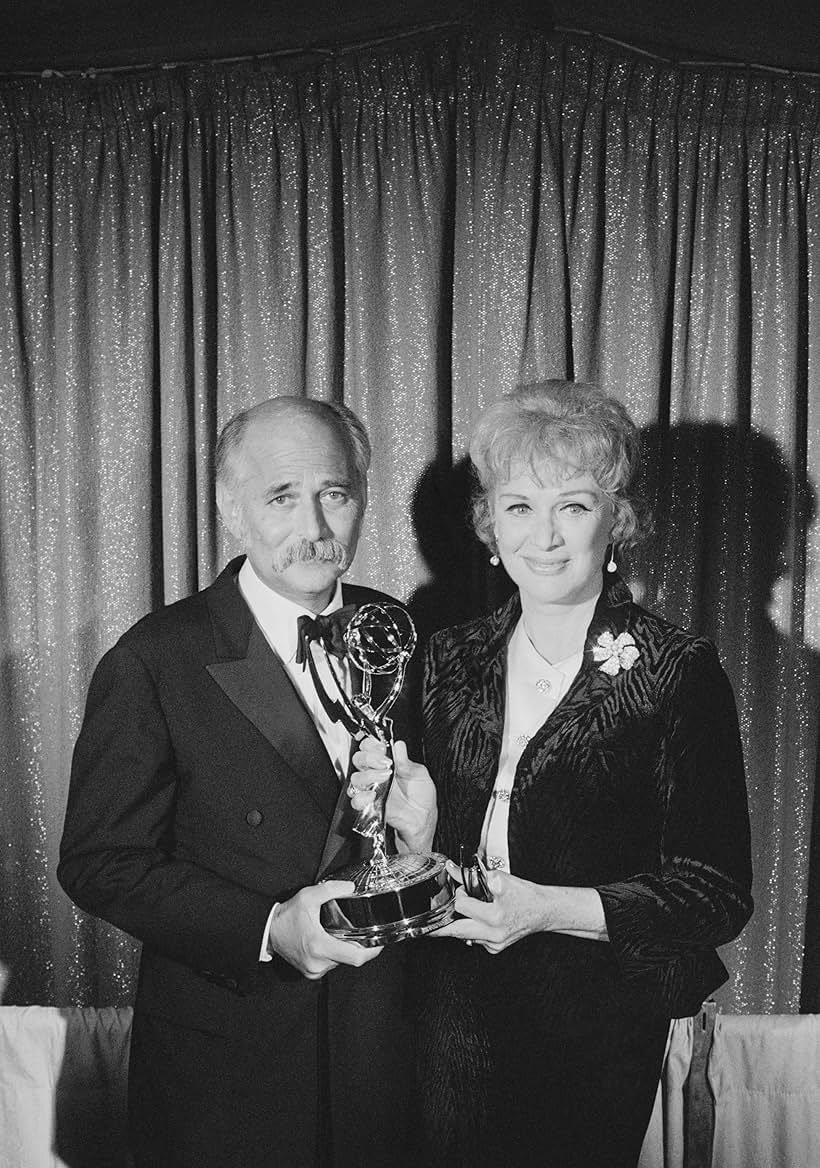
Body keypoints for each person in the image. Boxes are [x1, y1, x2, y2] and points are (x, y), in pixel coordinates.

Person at [351, 380, 754, 1168]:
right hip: (450, 1017)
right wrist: (422, 836)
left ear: (617, 521)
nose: (545, 536)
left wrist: (547, 909)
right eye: (519, 507)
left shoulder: (676, 671)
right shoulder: (447, 657)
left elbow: (716, 892)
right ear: (489, 528)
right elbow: (440, 868)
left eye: (572, 505)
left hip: (594, 1026)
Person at [58, 396, 435, 1168]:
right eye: (281, 497)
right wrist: (269, 928)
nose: (316, 528)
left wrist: (421, 837)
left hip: (382, 1054)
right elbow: (99, 862)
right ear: (232, 509)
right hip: (230, 1071)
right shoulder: (156, 657)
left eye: (335, 494)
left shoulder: (395, 631)